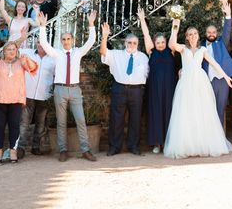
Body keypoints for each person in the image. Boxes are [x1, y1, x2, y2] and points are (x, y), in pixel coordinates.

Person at [164, 18, 232, 159]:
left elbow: (215, 64)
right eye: (190, 34)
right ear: (187, 37)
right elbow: (171, 44)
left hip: (200, 83)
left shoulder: (203, 49)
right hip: (186, 83)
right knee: (186, 113)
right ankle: (188, 145)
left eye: (195, 33)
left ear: (198, 35)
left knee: (202, 112)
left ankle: (203, 144)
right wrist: (174, 27)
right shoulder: (183, 49)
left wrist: (226, 77)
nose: (193, 35)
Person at [37, 11, 97, 162]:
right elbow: (44, 44)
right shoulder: (57, 53)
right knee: (61, 121)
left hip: (75, 89)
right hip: (60, 89)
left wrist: (91, 25)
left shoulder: (77, 52)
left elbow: (90, 42)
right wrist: (43, 27)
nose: (66, 41)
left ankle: (85, 150)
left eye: (68, 39)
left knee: (81, 120)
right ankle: (63, 150)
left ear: (73, 39)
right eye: (63, 39)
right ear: (61, 41)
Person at [0, 39, 38, 164]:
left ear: (16, 51)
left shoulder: (21, 61)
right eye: (8, 49)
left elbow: (33, 68)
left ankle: (13, 151)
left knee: (14, 126)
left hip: (16, 99)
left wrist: (27, 59)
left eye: (13, 49)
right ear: (4, 51)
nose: (11, 51)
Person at [100, 24, 149, 156]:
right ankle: (114, 147)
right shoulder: (116, 54)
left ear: (137, 44)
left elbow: (149, 74)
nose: (131, 45)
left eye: (134, 43)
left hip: (137, 91)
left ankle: (134, 146)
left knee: (136, 119)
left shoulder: (144, 57)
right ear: (124, 42)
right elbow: (103, 52)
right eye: (129, 42)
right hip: (119, 88)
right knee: (116, 118)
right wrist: (104, 37)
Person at [137, 8, 177, 154]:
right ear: (155, 43)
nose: (160, 44)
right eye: (158, 42)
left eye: (162, 42)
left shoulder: (171, 51)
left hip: (169, 88)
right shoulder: (151, 51)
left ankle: (168, 142)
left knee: (169, 112)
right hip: (154, 88)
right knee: (155, 113)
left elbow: (174, 32)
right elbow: (146, 34)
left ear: (166, 43)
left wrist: (176, 17)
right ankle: (156, 144)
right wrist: (142, 20)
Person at [18, 38, 56, 158]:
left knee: (40, 123)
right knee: (24, 122)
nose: (40, 45)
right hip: (28, 94)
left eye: (43, 42)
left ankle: (36, 147)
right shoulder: (27, 53)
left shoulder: (53, 59)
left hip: (44, 95)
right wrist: (22, 37)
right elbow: (12, 48)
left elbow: (56, 75)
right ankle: (20, 148)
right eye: (39, 42)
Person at [202, 1, 232, 126]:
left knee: (221, 108)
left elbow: (227, 31)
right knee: (207, 109)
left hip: (223, 80)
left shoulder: (221, 42)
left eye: (214, 32)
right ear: (205, 34)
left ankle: (220, 137)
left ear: (216, 34)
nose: (211, 34)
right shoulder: (201, 47)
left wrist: (228, 16)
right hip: (208, 81)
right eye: (209, 32)